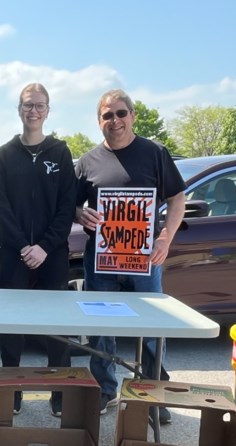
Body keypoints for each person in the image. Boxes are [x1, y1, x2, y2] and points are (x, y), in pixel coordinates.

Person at [74, 89, 186, 420]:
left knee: (151, 329)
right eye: (107, 115)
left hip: (145, 261)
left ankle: (153, 394)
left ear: (133, 116)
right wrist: (80, 215)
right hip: (102, 261)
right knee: (101, 329)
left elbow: (177, 198)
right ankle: (104, 390)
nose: (115, 121)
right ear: (99, 121)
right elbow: (70, 206)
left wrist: (166, 238)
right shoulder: (87, 162)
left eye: (121, 113)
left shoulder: (155, 153)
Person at [0, 82, 77, 417]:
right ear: (19, 109)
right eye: (28, 105)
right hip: (14, 255)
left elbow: (67, 206)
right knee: (11, 327)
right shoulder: (5, 155)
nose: (34, 111)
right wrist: (23, 246)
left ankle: (59, 392)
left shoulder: (60, 152)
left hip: (52, 254)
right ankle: (13, 389)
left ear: (48, 111)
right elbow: (1, 208)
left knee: (56, 327)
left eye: (40, 106)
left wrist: (43, 246)